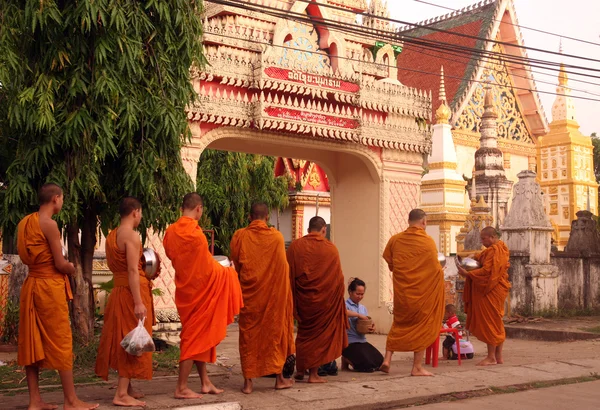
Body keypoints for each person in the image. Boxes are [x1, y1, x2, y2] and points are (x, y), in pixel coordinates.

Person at [17, 183, 99, 410]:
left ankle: (35, 400)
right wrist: (72, 267)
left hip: (31, 285)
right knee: (62, 340)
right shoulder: (49, 225)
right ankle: (71, 400)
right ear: (55, 199)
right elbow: (60, 263)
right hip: (49, 288)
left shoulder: (24, 223)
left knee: (31, 342)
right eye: (62, 199)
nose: (62, 203)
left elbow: (27, 256)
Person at [163, 193, 243, 399]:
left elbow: (177, 258)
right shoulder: (197, 236)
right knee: (192, 339)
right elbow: (207, 270)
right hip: (199, 293)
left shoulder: (170, 232)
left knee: (199, 338)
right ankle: (181, 387)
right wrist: (229, 272)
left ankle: (205, 382)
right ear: (199, 209)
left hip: (185, 291)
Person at [95, 197, 156, 406]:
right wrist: (138, 302)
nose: (140, 217)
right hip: (132, 292)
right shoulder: (131, 235)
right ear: (135, 212)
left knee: (126, 335)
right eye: (140, 213)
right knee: (134, 339)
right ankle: (121, 393)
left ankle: (127, 387)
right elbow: (131, 269)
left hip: (120, 290)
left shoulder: (112, 235)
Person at [230, 202, 295, 394]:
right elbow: (283, 270)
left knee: (249, 338)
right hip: (273, 299)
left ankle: (248, 383)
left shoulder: (240, 236)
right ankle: (279, 379)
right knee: (273, 337)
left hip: (249, 298)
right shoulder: (276, 237)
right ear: (267, 218)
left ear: (250, 217)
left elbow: (235, 264)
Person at [380, 209, 445, 377]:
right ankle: (416, 367)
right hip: (421, 295)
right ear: (424, 222)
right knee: (422, 327)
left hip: (403, 293)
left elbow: (390, 263)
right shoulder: (428, 242)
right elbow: (435, 269)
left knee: (399, 324)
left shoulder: (395, 240)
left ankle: (387, 359)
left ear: (409, 221)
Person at [286, 216, 348, 383]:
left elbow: (288, 276)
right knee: (317, 337)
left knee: (304, 334)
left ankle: (300, 370)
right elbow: (338, 280)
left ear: (308, 230)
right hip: (323, 303)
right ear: (323, 230)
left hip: (303, 300)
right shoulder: (331, 249)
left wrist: (292, 300)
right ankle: (313, 374)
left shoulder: (295, 247)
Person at [456, 226, 511, 366]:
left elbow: (487, 272)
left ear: (492, 237)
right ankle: (498, 356)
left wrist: (468, 274)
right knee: (496, 321)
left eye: (484, 238)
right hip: (496, 291)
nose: (482, 241)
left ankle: (491, 357)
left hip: (491, 290)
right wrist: (473, 256)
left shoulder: (496, 251)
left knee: (490, 323)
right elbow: (482, 258)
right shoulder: (499, 249)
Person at [341, 278, 384, 372]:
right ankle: (346, 358)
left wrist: (372, 327)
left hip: (361, 341)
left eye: (362, 294)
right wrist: (358, 315)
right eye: (357, 294)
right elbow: (343, 312)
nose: (360, 296)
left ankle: (352, 359)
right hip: (349, 342)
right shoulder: (344, 305)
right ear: (350, 292)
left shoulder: (363, 308)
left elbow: (367, 322)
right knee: (367, 366)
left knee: (379, 361)